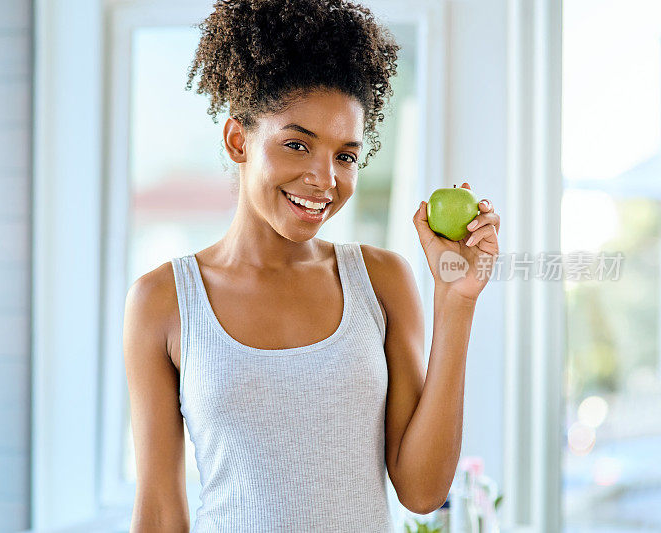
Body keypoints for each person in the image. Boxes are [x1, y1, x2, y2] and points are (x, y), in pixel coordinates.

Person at [123, 0, 501, 531]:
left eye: (345, 155)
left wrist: (456, 301)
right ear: (238, 140)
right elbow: (160, 509)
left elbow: (421, 491)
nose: (324, 180)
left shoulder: (381, 280)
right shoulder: (162, 301)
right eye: (297, 144)